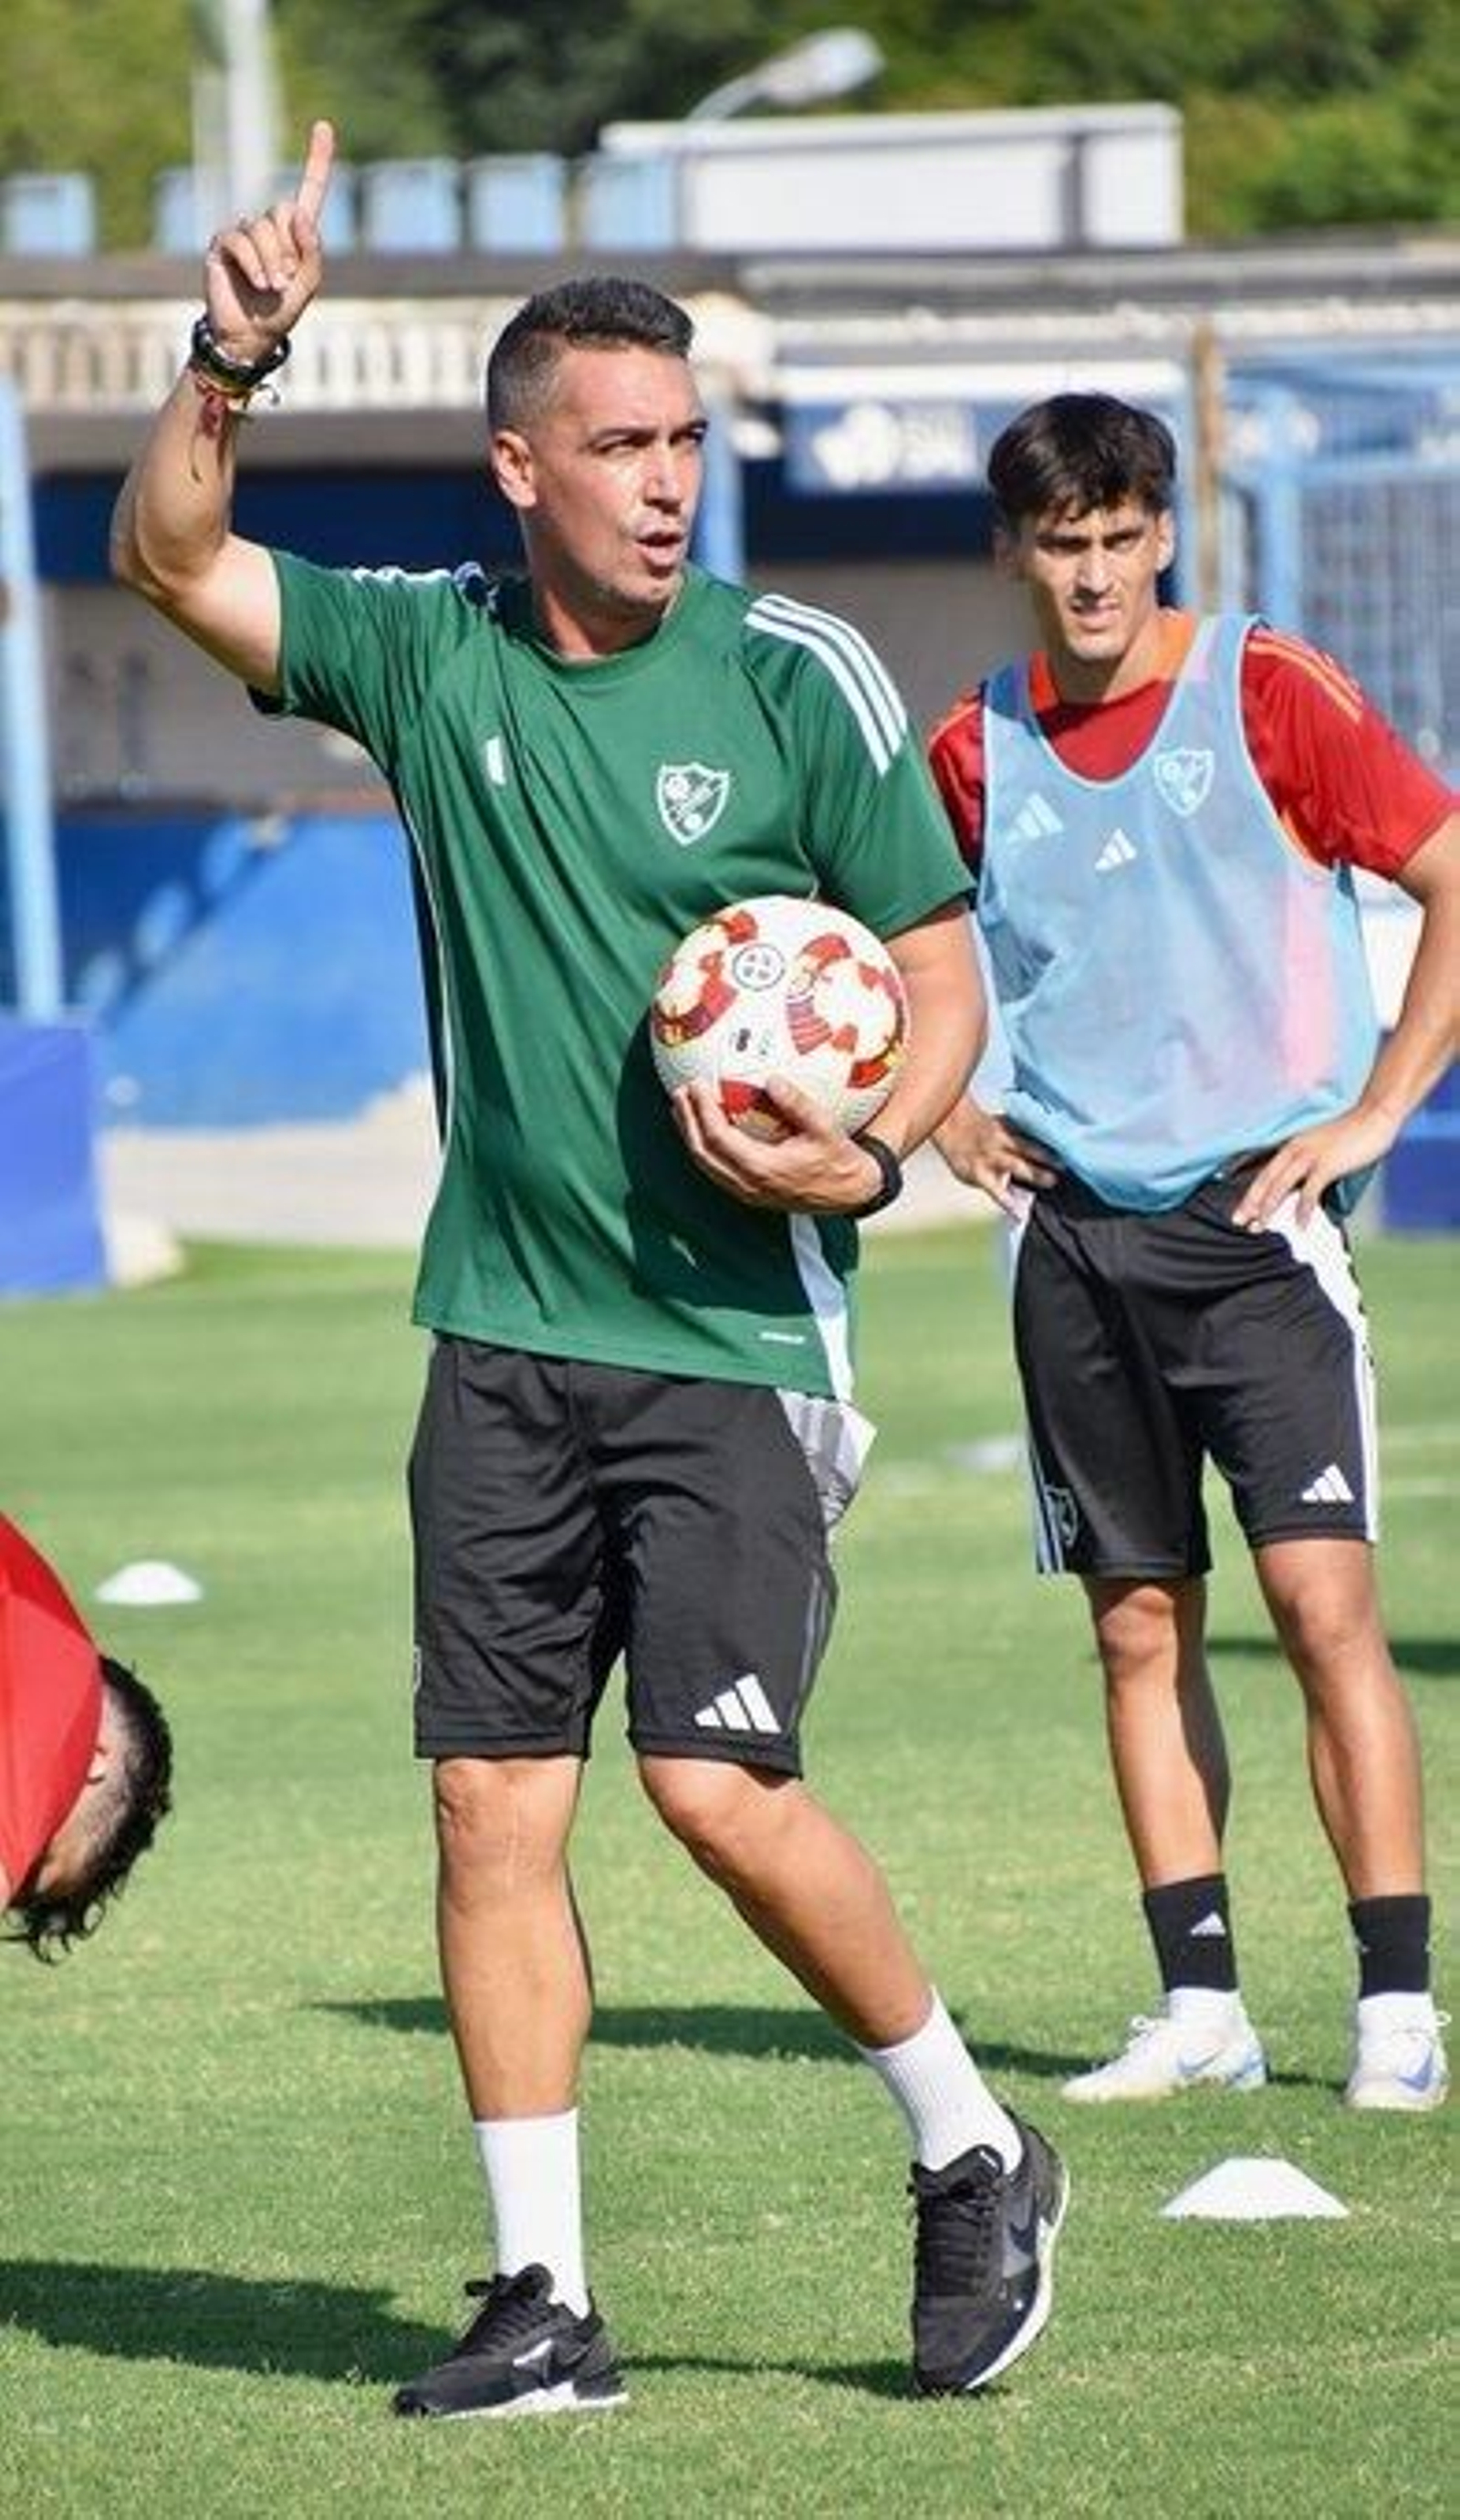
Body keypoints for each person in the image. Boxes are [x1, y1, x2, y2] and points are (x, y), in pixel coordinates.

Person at [110, 120, 1067, 2416]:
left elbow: (934, 968)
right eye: (619, 446)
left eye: (686, 443)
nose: (664, 482)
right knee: (485, 1804)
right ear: (515, 467)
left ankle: (966, 2139)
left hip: (734, 1339)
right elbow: (169, 556)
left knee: (714, 1789)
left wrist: (873, 1137)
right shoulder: (426, 661)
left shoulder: (793, 674)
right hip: (501, 1339)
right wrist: (229, 353)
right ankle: (538, 2294)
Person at [929, 392, 1456, 2114]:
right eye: (1057, 546)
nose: (1089, 577)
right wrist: (940, 1117)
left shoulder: (1266, 689)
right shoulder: (969, 744)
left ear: (1163, 530)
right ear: (1017, 551)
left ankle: (1394, 2006)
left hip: (1257, 1235)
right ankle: (1202, 2007)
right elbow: (877, 950)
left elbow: (1450, 870)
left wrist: (1376, 1110)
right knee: (1138, 1633)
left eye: (1116, 539)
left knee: (1322, 1611)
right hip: (1071, 1245)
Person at [1, 1513, 172, 1957]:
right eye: (38, 1858)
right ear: (94, 1759)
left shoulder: (31, 1613)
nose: (16, 1862)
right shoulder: (56, 1723)